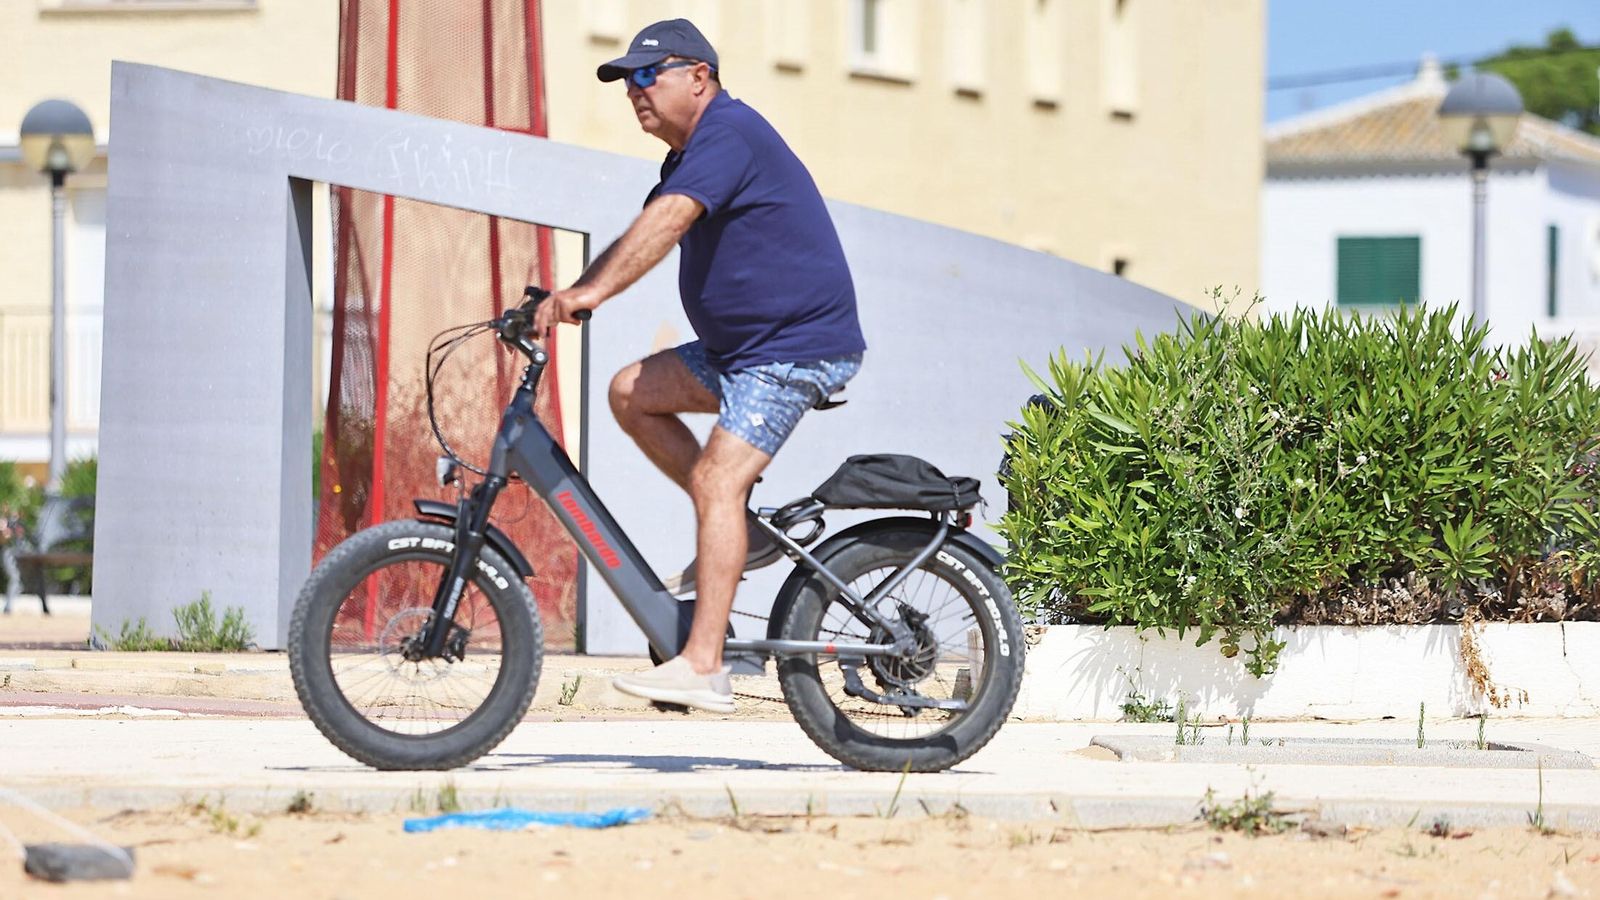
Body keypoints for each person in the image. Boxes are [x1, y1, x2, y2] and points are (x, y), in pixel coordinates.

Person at [534, 18, 866, 713]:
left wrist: (590, 294)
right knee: (631, 391)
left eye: (648, 75)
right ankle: (729, 527)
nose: (635, 91)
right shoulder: (689, 155)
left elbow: (667, 225)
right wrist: (569, 295)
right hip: (742, 352)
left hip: (792, 348)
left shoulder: (728, 133)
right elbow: (638, 232)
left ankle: (705, 665)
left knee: (717, 479)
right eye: (628, 81)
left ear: (698, 77)